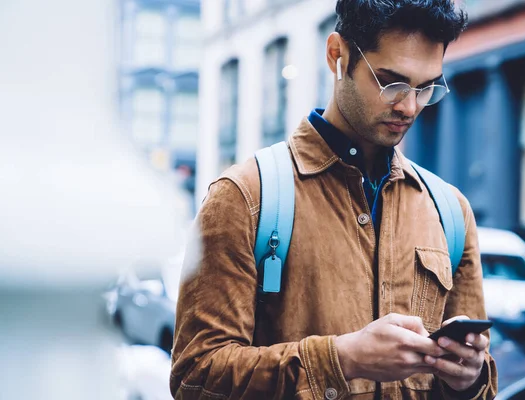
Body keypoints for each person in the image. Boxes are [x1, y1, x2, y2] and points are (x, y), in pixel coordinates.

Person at [170, 0, 498, 399]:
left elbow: (478, 386)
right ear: (337, 55)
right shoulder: (243, 197)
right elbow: (194, 377)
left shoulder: (451, 211)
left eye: (426, 87)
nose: (409, 106)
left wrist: (469, 379)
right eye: (391, 82)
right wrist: (342, 359)